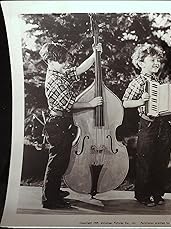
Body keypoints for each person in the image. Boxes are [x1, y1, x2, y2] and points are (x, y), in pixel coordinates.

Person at [39, 42, 103, 209]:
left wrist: (94, 54)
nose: (65, 64)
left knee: (61, 160)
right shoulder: (54, 80)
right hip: (57, 123)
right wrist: (91, 103)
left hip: (62, 123)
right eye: (62, 61)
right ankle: (50, 199)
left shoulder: (58, 73)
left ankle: (53, 191)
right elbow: (70, 105)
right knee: (56, 162)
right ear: (51, 61)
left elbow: (78, 70)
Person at [122, 43, 171, 207]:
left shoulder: (160, 81)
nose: (156, 63)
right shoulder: (138, 82)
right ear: (141, 63)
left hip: (163, 124)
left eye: (158, 60)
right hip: (148, 124)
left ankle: (157, 193)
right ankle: (143, 195)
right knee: (145, 161)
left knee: (161, 160)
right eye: (152, 60)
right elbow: (125, 103)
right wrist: (141, 101)